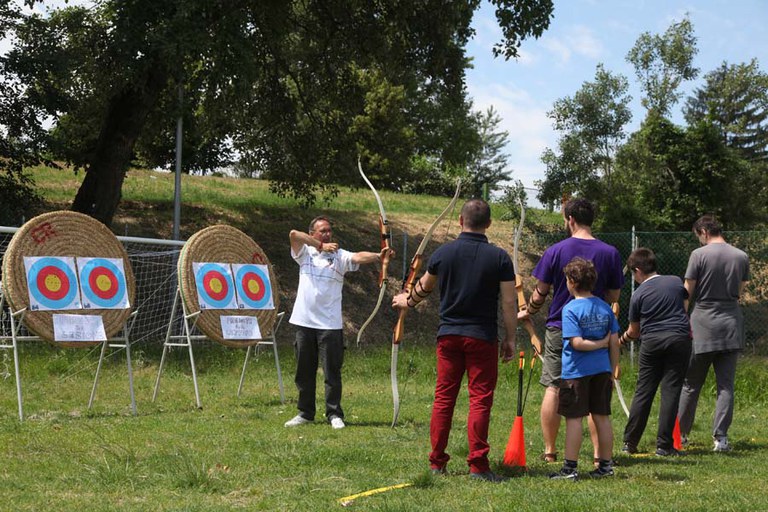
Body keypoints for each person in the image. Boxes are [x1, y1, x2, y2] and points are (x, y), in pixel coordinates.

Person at [391, 199, 517, 483]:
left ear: (460, 221)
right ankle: (477, 466)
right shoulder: (499, 258)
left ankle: (437, 463)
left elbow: (424, 286)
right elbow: (509, 303)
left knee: (444, 398)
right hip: (482, 337)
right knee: (480, 401)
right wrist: (510, 338)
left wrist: (406, 300)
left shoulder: (443, 253)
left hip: (449, 336)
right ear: (489, 224)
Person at [520, 198, 624, 464]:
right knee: (595, 396)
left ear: (570, 219)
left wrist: (529, 311)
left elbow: (541, 293)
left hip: (561, 327)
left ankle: (550, 450)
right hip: (599, 329)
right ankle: (601, 457)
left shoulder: (556, 250)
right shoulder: (610, 252)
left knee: (555, 387)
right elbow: (614, 296)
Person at [285, 216, 393, 429]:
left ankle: (334, 414)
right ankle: (305, 413)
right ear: (313, 233)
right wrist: (320, 246)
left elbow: (358, 257)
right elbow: (293, 235)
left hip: (330, 324)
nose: (327, 234)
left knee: (331, 371)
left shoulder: (339, 255)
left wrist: (378, 256)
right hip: (304, 322)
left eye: (329, 230)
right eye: (322, 231)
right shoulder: (304, 254)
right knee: (304, 371)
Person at [677, 215, 749, 452]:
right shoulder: (741, 256)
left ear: (704, 232)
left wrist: (681, 320)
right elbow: (739, 292)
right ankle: (721, 438)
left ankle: (682, 435)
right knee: (725, 385)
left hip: (703, 324)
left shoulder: (699, 255)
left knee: (690, 384)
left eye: (698, 236)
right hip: (731, 323)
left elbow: (688, 291)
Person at [549, 257, 620, 480]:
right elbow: (615, 342)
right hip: (602, 371)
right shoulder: (605, 307)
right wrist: (613, 369)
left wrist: (598, 344)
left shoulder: (570, 309)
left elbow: (577, 343)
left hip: (576, 373)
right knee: (602, 417)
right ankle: (606, 466)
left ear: (571, 281)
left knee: (574, 419)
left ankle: (570, 468)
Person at [619, 248, 691, 457]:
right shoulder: (675, 281)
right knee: (671, 391)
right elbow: (685, 302)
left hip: (652, 342)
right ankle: (664, 445)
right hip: (679, 338)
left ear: (639, 270)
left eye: (633, 273)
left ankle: (629, 442)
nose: (634, 277)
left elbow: (634, 331)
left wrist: (620, 341)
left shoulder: (638, 294)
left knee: (644, 391)